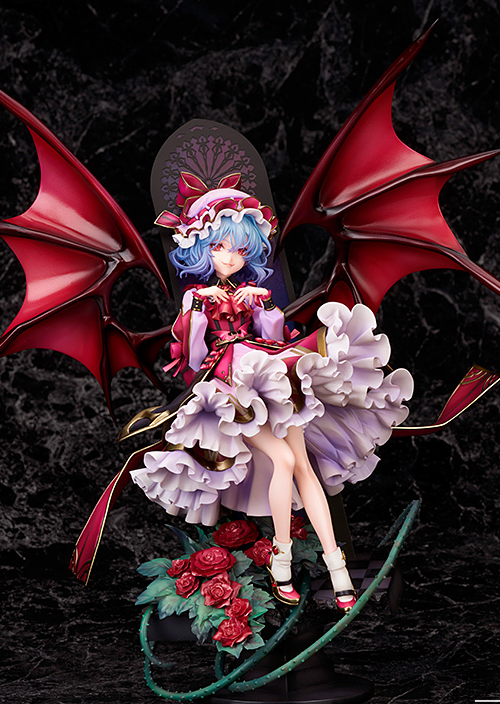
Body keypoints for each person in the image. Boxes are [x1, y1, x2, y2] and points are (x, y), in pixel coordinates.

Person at [127, 173, 414, 612]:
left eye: (240, 249)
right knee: (283, 460)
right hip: (232, 387)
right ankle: (282, 561)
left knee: (302, 467)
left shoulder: (251, 293)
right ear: (200, 248)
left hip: (272, 375)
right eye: (219, 247)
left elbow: (275, 337)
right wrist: (199, 309)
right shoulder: (196, 299)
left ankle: (336, 567)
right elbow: (193, 357)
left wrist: (264, 307)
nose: (229, 257)